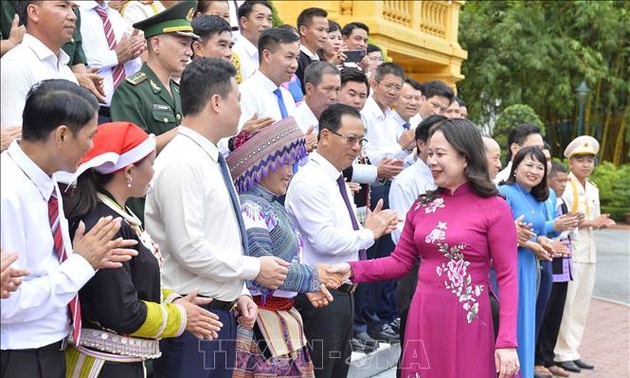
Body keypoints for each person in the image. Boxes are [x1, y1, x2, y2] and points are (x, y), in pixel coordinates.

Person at [329, 118, 520, 378]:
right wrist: (351, 269)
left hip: (470, 318)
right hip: (424, 315)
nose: (431, 161)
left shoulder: (495, 208)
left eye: (440, 154)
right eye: (429, 153)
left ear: (465, 158)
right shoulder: (422, 206)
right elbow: (399, 262)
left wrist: (507, 341)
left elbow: (508, 276)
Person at [146, 58, 290, 378]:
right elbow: (189, 248)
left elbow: (219, 235)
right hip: (192, 316)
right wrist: (255, 268)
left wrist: (238, 290)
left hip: (218, 313)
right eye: (237, 98)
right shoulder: (183, 160)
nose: (240, 108)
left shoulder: (208, 156)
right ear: (216, 102)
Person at [0, 79, 138, 378]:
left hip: (48, 349)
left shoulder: (46, 179)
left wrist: (83, 260)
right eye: (89, 137)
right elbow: (8, 306)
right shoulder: (8, 192)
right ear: (62, 135)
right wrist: (80, 265)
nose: (92, 147)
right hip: (21, 356)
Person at [62, 122, 222, 377]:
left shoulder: (118, 216)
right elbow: (122, 312)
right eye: (150, 163)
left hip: (121, 365)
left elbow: (132, 281)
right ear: (128, 172)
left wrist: (173, 299)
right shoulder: (106, 227)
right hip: (105, 368)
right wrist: (180, 317)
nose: (154, 171)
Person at [285, 104, 398, 378]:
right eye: (350, 139)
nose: (357, 147)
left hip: (343, 292)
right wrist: (369, 233)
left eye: (361, 140)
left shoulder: (334, 178)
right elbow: (325, 240)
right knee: (320, 372)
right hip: (320, 295)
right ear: (325, 136)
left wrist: (365, 228)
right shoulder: (310, 180)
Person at [227, 117, 342, 377]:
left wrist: (306, 285)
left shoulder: (270, 206)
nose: (291, 171)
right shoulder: (250, 207)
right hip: (261, 322)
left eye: (292, 163)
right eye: (285, 163)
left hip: (279, 318)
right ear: (262, 163)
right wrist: (313, 276)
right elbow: (264, 269)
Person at [110, 0, 199, 221]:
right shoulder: (131, 91)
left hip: (181, 196)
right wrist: (186, 130)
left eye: (190, 45)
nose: (188, 52)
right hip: (147, 203)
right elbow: (131, 154)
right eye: (181, 43)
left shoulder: (181, 91)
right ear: (156, 44)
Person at [554, 136, 615, 373]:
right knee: (568, 304)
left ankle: (572, 350)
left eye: (590, 160)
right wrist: (592, 222)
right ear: (570, 163)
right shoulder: (566, 186)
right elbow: (565, 221)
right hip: (571, 252)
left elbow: (592, 219)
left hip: (589, 252)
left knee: (581, 304)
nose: (586, 165)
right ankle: (560, 352)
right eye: (581, 160)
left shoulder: (592, 188)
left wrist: (599, 222)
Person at [499, 146, 556, 378]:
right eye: (529, 165)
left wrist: (542, 241)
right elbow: (498, 232)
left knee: (528, 322)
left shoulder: (538, 198)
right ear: (516, 166)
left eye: (539, 167)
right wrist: (528, 244)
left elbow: (538, 230)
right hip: (510, 267)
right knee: (513, 322)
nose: (534, 171)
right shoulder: (504, 193)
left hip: (531, 269)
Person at [535, 162, 577, 378]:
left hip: (562, 259)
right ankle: (537, 360)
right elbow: (545, 226)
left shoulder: (561, 199)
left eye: (565, 180)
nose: (564, 184)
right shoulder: (543, 195)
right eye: (560, 180)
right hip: (546, 257)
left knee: (555, 313)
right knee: (543, 311)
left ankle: (548, 358)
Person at [77, 0, 144, 121]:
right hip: (95, 110)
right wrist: (115, 57)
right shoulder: (75, 12)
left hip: (129, 109)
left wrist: (133, 54)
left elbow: (128, 60)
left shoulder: (115, 15)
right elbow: (75, 61)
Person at [236, 27, 300, 129]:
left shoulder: (287, 96)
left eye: (297, 58)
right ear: (267, 56)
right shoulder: (245, 94)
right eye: (289, 57)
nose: (295, 65)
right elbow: (237, 140)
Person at [232, 0, 272, 80]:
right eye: (259, 18)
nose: (266, 24)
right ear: (244, 22)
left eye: (269, 19)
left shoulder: (270, 52)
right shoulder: (235, 54)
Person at [295, 7, 328, 91]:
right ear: (303, 30)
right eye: (320, 30)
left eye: (327, 31)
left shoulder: (320, 59)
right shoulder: (296, 59)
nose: (325, 36)